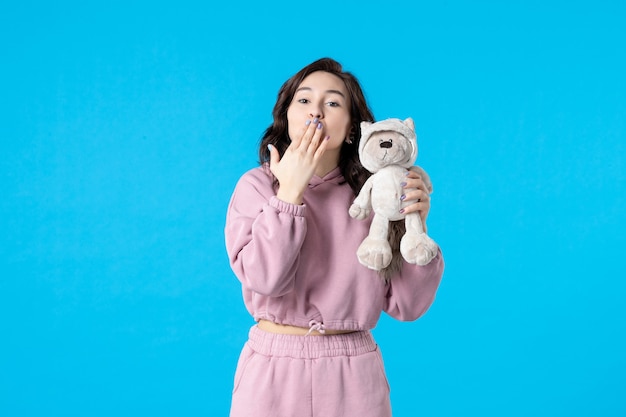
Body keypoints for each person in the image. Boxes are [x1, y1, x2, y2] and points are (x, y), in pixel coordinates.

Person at [224, 57, 444, 417]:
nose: (317, 112)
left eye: (333, 103)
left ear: (354, 128)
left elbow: (408, 306)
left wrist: (416, 225)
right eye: (304, 100)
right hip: (273, 371)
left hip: (353, 374)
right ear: (287, 116)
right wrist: (289, 194)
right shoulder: (256, 187)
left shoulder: (374, 197)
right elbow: (266, 279)